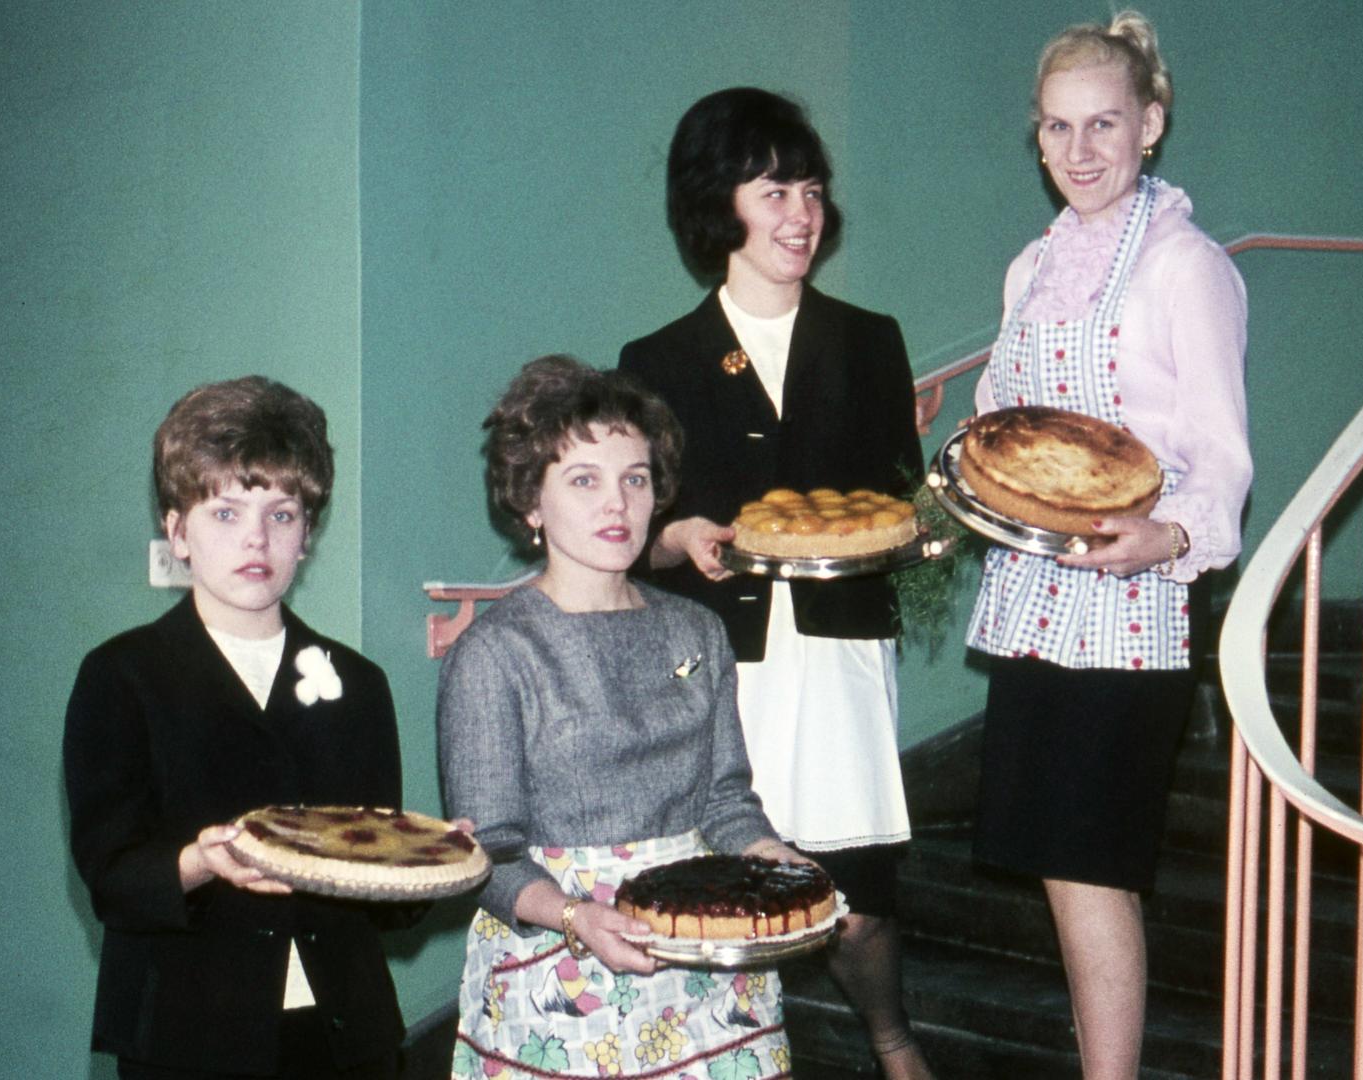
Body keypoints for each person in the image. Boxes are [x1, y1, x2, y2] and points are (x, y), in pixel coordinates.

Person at [618, 87, 936, 1078]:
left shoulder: (869, 340)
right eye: (773, 189)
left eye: (811, 189)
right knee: (718, 894)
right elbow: (631, 538)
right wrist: (679, 538)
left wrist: (920, 537)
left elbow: (898, 502)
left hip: (838, 650)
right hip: (717, 662)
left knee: (855, 900)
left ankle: (892, 1042)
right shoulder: (657, 361)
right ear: (721, 204)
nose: (800, 213)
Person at [965, 12, 1252, 1079]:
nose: (1080, 152)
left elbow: (1224, 459)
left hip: (1135, 606)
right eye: (1057, 128)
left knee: (1090, 869)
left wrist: (1165, 537)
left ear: (1152, 125)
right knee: (1065, 871)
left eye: (1103, 125)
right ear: (1036, 140)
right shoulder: (1031, 269)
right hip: (1038, 600)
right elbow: (1006, 417)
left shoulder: (1187, 268)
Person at [439, 356, 806, 1079]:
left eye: (634, 479)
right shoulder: (496, 652)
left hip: (705, 961)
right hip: (563, 969)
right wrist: (577, 917)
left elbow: (725, 799)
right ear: (530, 504)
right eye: (584, 481)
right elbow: (487, 856)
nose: (618, 504)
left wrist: (776, 863)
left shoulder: (695, 633)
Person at [64, 377, 408, 1079]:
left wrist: (429, 867)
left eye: (281, 516)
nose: (256, 539)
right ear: (176, 529)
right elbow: (112, 877)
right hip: (191, 1039)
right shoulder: (122, 676)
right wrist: (197, 862)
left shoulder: (360, 684)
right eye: (225, 514)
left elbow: (384, 909)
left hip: (348, 1038)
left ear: (308, 533)